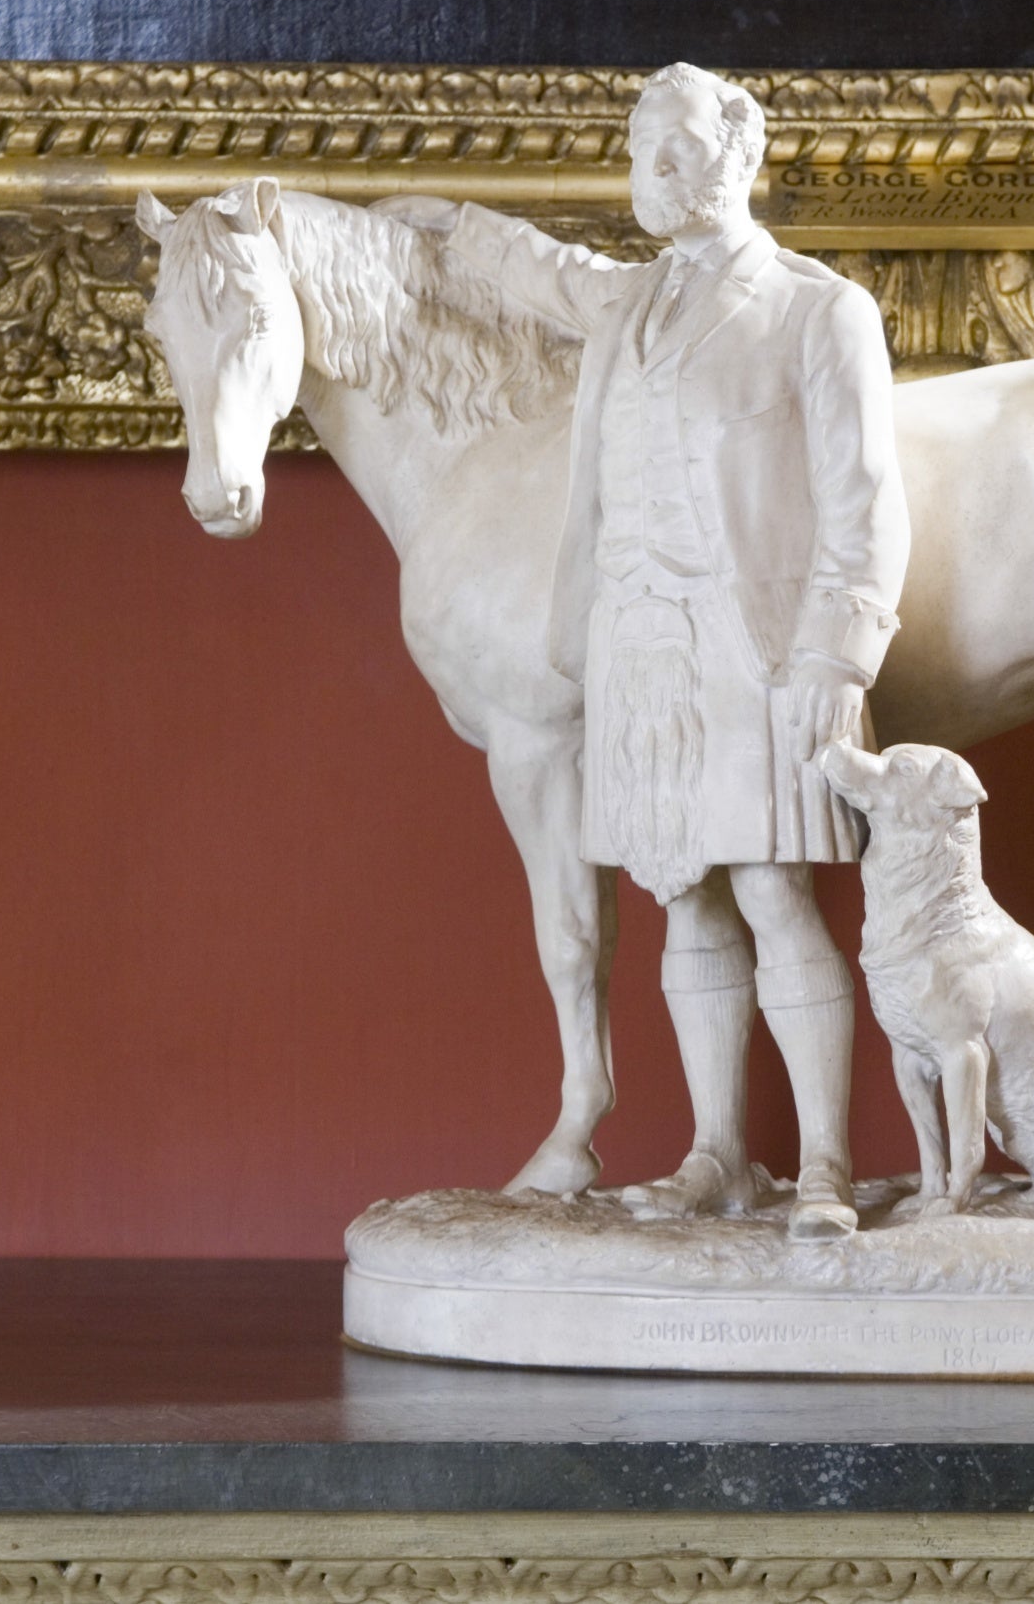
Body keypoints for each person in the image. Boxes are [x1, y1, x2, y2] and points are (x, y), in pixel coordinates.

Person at [372, 63, 910, 1241]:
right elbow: (546, 274)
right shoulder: (629, 304)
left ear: (742, 152)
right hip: (636, 640)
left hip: (765, 648)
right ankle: (718, 1152)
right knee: (684, 897)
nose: (655, 171)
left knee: (775, 889)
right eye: (640, 150)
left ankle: (823, 1160)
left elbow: (867, 501)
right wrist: (453, 227)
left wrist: (840, 655)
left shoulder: (820, 311)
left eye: (678, 147)